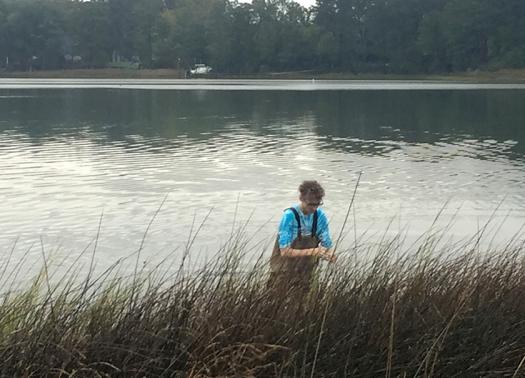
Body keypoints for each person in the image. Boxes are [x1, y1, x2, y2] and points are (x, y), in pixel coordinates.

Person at [269, 180, 336, 300]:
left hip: (306, 273)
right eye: (311, 204)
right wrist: (313, 251)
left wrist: (329, 254)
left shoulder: (320, 216)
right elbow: (285, 252)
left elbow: (326, 244)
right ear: (302, 199)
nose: (314, 208)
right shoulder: (289, 216)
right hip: (283, 271)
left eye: (318, 204)